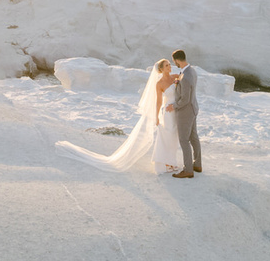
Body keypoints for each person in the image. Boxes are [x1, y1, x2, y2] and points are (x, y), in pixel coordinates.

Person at [54, 58, 182, 174]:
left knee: (173, 138)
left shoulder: (176, 77)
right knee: (166, 137)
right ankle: (166, 163)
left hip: (176, 111)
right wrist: (157, 117)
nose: (169, 67)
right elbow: (158, 101)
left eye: (169, 65)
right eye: (166, 66)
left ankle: (170, 161)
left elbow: (184, 86)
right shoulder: (159, 83)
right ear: (161, 69)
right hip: (167, 113)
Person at [166, 49, 201, 178]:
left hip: (185, 111)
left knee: (184, 140)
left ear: (177, 60)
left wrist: (173, 106)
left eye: (173, 61)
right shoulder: (191, 71)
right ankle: (197, 164)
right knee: (193, 137)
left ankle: (188, 170)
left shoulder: (185, 76)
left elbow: (184, 99)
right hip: (193, 108)